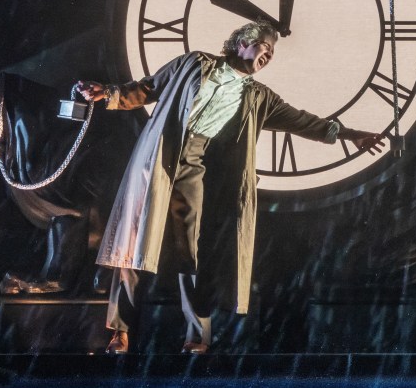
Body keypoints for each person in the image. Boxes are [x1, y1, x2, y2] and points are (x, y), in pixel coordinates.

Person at [77, 21, 385, 354]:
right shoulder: (194, 64)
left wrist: (350, 135)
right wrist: (107, 93)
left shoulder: (258, 96)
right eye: (264, 46)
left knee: (192, 251)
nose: (269, 55)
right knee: (135, 243)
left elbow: (303, 121)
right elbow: (147, 88)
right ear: (241, 44)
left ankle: (197, 335)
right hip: (159, 157)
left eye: (272, 52)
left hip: (195, 167)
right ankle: (120, 332)